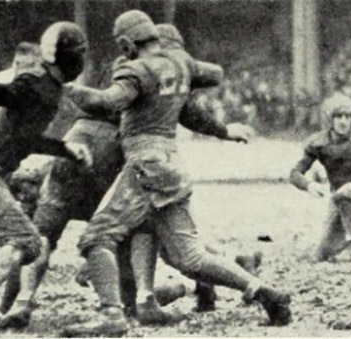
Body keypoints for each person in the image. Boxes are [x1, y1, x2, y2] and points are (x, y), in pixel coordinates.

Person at [61, 11, 289, 336]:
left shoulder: (136, 69)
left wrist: (67, 90)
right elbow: (204, 92)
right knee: (189, 256)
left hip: (145, 165)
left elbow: (109, 102)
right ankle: (265, 292)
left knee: (97, 238)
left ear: (127, 44)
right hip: (172, 166)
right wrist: (224, 130)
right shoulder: (180, 63)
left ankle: (112, 316)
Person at [0, 22, 91, 329]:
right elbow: (4, 92)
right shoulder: (39, 83)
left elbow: (25, 138)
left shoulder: (47, 86)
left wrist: (65, 148)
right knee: (26, 240)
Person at [289, 93, 351, 261]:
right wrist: (309, 185)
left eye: (348, 117)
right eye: (339, 116)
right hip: (338, 199)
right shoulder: (319, 143)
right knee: (322, 255)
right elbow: (295, 173)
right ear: (330, 119)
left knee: (344, 194)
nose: (344, 121)